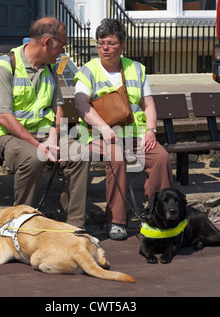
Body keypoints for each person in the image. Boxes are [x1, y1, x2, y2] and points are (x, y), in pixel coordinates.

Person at [0, 17, 89, 228]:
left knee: (80, 153)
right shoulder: (4, 67)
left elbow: (57, 107)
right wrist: (39, 145)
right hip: (3, 135)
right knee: (34, 157)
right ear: (48, 42)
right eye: (62, 45)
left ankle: (73, 227)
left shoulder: (50, 68)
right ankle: (19, 224)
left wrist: (53, 135)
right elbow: (3, 117)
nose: (63, 51)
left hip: (42, 135)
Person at [74, 18, 173, 240]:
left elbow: (148, 105)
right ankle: (116, 221)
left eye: (110, 43)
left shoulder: (136, 69)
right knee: (116, 156)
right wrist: (104, 129)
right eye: (101, 43)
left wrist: (150, 131)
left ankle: (159, 213)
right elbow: (81, 105)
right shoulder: (88, 70)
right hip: (95, 134)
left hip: (132, 133)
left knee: (161, 157)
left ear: (122, 45)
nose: (105, 48)